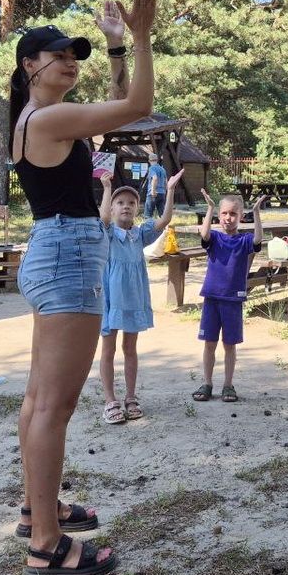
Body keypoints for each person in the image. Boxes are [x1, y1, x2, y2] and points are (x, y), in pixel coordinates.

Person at [9, 0, 156, 575]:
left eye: (76, 54)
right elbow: (136, 108)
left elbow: (116, 101)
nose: (71, 61)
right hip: (68, 254)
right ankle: (46, 545)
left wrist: (116, 48)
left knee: (37, 400)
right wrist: (144, 40)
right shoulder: (50, 117)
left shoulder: (38, 118)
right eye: (58, 54)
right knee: (55, 405)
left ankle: (37, 509)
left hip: (56, 248)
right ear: (29, 66)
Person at [97, 168, 182, 424]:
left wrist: (169, 191)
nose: (126, 207)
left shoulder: (140, 234)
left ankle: (131, 396)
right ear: (112, 209)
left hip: (132, 298)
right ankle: (110, 400)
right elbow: (102, 219)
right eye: (120, 203)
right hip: (111, 299)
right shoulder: (108, 233)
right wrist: (107, 189)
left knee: (130, 348)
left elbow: (165, 219)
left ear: (137, 208)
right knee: (108, 349)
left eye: (131, 203)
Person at [191, 191, 265, 402]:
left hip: (233, 299)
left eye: (233, 214)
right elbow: (204, 235)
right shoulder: (214, 237)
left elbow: (258, 240)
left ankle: (228, 385)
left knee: (229, 345)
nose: (227, 218)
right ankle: (207, 383)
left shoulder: (245, 240)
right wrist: (209, 209)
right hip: (212, 297)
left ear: (241, 216)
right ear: (218, 216)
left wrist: (257, 213)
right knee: (209, 343)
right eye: (223, 213)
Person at [144, 152, 168, 219]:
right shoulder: (163, 169)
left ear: (149, 161)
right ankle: (164, 228)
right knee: (162, 214)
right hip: (162, 193)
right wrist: (165, 191)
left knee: (148, 215)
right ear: (157, 160)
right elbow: (166, 181)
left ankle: (148, 229)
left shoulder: (151, 168)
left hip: (153, 194)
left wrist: (153, 191)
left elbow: (155, 178)